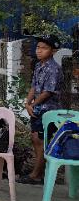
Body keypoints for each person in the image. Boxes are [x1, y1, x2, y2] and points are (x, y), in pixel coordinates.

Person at [19, 35, 64, 185]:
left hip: (48, 111)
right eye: (38, 47)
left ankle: (36, 175)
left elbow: (47, 92)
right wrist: (27, 103)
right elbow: (34, 86)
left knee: (40, 141)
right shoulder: (39, 65)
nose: (39, 50)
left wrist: (32, 105)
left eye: (44, 48)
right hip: (37, 109)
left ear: (53, 51)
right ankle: (38, 173)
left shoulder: (54, 69)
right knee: (36, 139)